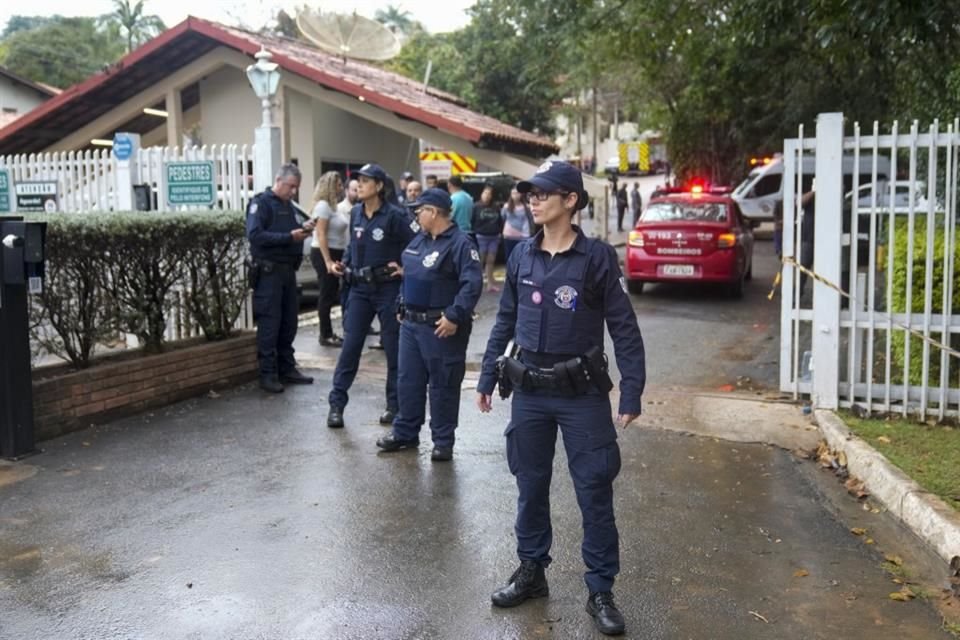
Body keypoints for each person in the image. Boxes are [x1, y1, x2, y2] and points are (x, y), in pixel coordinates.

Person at [476, 160, 646, 636]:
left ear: (570, 200)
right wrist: (488, 376)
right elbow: (505, 320)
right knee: (529, 485)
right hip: (529, 389)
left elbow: (624, 327)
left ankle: (600, 590)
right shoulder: (522, 256)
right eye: (529, 193)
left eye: (543, 193)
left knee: (594, 490)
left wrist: (631, 389)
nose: (532, 199)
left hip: (581, 395)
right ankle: (531, 572)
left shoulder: (596, 259)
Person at [376, 188, 483, 460]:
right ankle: (405, 433)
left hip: (441, 326)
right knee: (408, 381)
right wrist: (402, 304)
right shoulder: (418, 241)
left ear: (433, 212)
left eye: (419, 210)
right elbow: (408, 276)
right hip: (411, 326)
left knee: (443, 384)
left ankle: (443, 441)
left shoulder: (461, 244)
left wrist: (454, 315)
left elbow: (471, 285)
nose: (415, 215)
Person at [326, 163, 417, 428]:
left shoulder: (395, 216)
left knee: (393, 349)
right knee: (350, 348)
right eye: (358, 181)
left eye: (366, 181)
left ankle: (394, 406)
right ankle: (336, 405)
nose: (360, 185)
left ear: (378, 186)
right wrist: (344, 262)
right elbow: (352, 246)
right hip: (359, 290)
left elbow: (417, 243)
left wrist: (405, 268)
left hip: (387, 290)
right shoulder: (355, 212)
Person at [246, 164, 316, 393]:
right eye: (291, 186)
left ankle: (287, 368)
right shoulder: (261, 204)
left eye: (296, 187)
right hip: (269, 273)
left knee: (289, 323)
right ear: (279, 180)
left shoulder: (288, 206)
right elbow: (255, 235)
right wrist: (288, 237)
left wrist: (302, 229)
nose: (293, 191)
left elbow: (290, 231)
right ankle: (268, 374)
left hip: (287, 272)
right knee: (270, 324)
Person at [309, 171, 349, 347]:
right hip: (325, 252)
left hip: (336, 251)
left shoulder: (333, 207)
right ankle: (325, 334)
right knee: (327, 293)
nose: (341, 188)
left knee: (332, 293)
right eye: (339, 185)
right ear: (331, 186)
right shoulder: (323, 206)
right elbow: (321, 234)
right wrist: (328, 261)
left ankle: (329, 332)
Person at [471, 184, 504, 292]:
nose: (487, 196)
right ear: (481, 194)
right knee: (480, 260)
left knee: (491, 260)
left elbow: (500, 220)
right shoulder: (476, 206)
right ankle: (476, 283)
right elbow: (472, 220)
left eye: (489, 194)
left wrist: (500, 232)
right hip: (481, 236)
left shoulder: (495, 206)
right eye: (485, 193)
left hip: (494, 236)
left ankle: (490, 283)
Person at [501, 187, 532, 260]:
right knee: (509, 256)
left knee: (522, 257)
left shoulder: (527, 207)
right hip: (509, 235)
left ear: (521, 195)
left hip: (523, 235)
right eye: (513, 193)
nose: (515, 195)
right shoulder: (506, 206)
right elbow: (503, 217)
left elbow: (531, 219)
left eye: (517, 193)